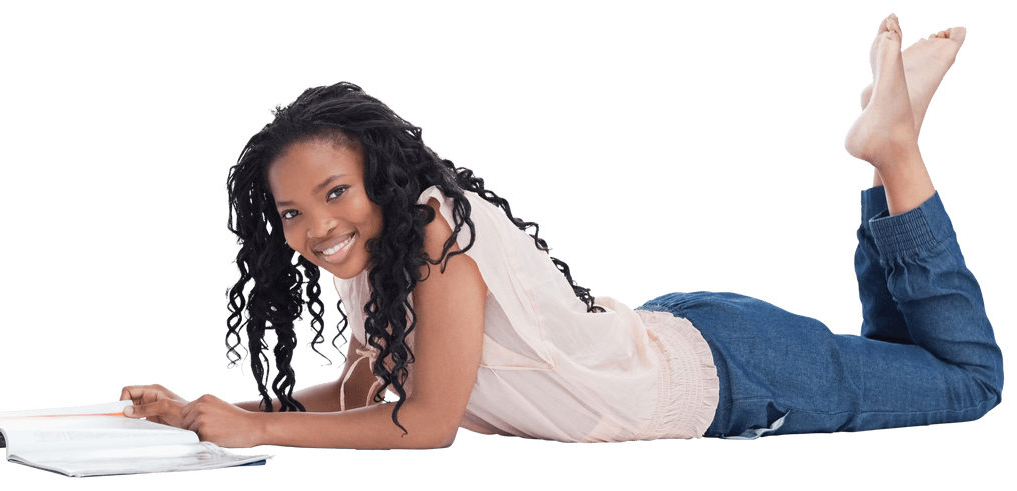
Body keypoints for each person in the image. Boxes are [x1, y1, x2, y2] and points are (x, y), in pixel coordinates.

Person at [120, 13, 1003, 448]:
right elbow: (361, 399)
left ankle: (893, 153)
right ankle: (889, 152)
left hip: (732, 375)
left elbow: (423, 423)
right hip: (683, 341)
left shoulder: (433, 237)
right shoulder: (376, 257)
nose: (315, 226)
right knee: (903, 361)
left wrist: (259, 429)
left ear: (379, 175)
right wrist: (210, 416)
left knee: (965, 383)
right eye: (292, 213)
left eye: (334, 192)